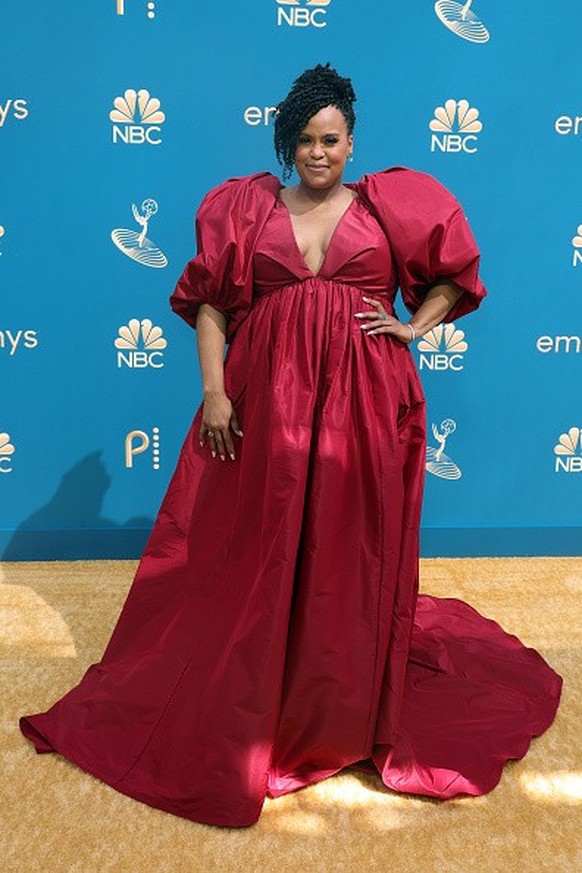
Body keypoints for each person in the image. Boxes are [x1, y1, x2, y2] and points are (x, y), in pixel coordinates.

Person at [19, 62, 563, 829]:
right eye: (305, 140)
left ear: (351, 139)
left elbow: (453, 277)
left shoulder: (390, 205)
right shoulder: (244, 208)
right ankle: (259, 692)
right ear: (286, 141)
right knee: (260, 550)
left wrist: (412, 327)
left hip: (366, 408)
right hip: (265, 406)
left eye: (332, 139)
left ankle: (334, 708)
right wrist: (214, 391)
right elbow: (210, 305)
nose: (319, 153)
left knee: (347, 554)